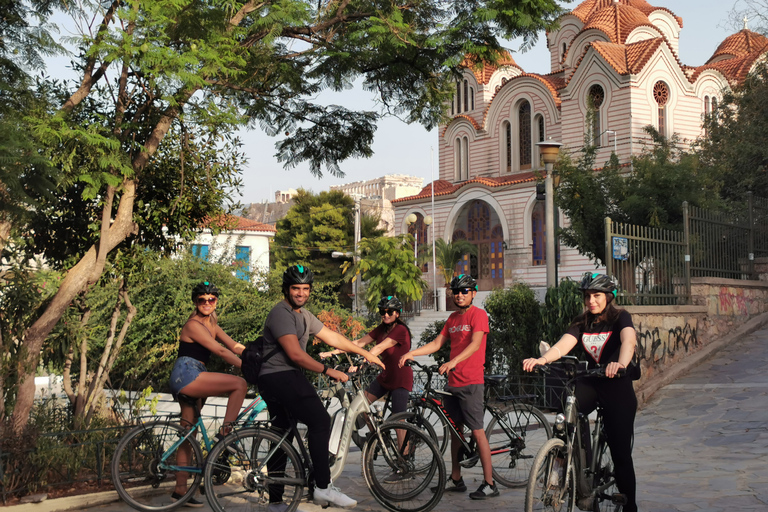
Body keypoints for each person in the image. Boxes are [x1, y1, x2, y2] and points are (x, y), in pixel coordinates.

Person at [257, 265, 385, 511]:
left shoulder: (303, 315)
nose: (301, 293)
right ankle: (323, 488)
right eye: (296, 288)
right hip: (281, 376)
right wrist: (328, 371)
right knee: (319, 421)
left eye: (305, 289)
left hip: (277, 378)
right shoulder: (281, 313)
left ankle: (275, 501)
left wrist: (364, 352)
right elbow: (295, 355)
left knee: (281, 433)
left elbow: (333, 337)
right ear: (287, 289)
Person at [522, 272, 639, 512]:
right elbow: (563, 344)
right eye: (587, 296)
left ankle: (630, 507)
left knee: (620, 454)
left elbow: (629, 341)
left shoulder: (620, 317)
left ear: (609, 296)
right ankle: (575, 454)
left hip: (617, 385)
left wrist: (621, 364)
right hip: (592, 381)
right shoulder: (581, 321)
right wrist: (542, 359)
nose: (591, 301)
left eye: (596, 296)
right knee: (569, 406)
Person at [399, 274, 499, 500]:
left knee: (477, 431)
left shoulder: (479, 315)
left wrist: (454, 361)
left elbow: (475, 344)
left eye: (465, 291)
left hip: (471, 382)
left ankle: (490, 483)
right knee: (455, 432)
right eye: (456, 291)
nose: (460, 295)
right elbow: (436, 344)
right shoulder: (452, 319)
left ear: (473, 293)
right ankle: (456, 478)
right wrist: (411, 353)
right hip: (452, 383)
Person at [169, 281, 248, 507]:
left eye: (211, 299)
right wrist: (247, 367)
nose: (206, 303)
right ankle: (225, 436)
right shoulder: (193, 324)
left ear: (216, 302)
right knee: (240, 384)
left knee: (188, 435)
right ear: (195, 302)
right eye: (202, 300)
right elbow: (220, 350)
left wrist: (255, 354)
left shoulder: (212, 323)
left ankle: (179, 492)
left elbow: (233, 346)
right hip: (187, 374)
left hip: (193, 374)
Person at [320, 295, 414, 416]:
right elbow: (359, 343)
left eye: (390, 312)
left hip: (401, 378)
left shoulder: (401, 330)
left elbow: (379, 348)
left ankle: (403, 434)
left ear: (397, 314)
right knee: (361, 406)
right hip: (385, 377)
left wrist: (362, 363)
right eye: (382, 312)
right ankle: (375, 434)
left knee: (398, 419)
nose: (386, 315)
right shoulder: (381, 329)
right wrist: (332, 352)